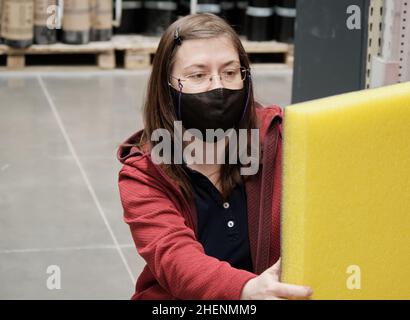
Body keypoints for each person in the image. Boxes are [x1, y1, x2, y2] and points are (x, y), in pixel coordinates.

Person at [117, 13, 313, 300]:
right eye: (198, 75)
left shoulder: (279, 137)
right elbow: (175, 259)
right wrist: (245, 290)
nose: (217, 86)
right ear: (167, 87)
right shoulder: (144, 174)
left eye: (230, 72)